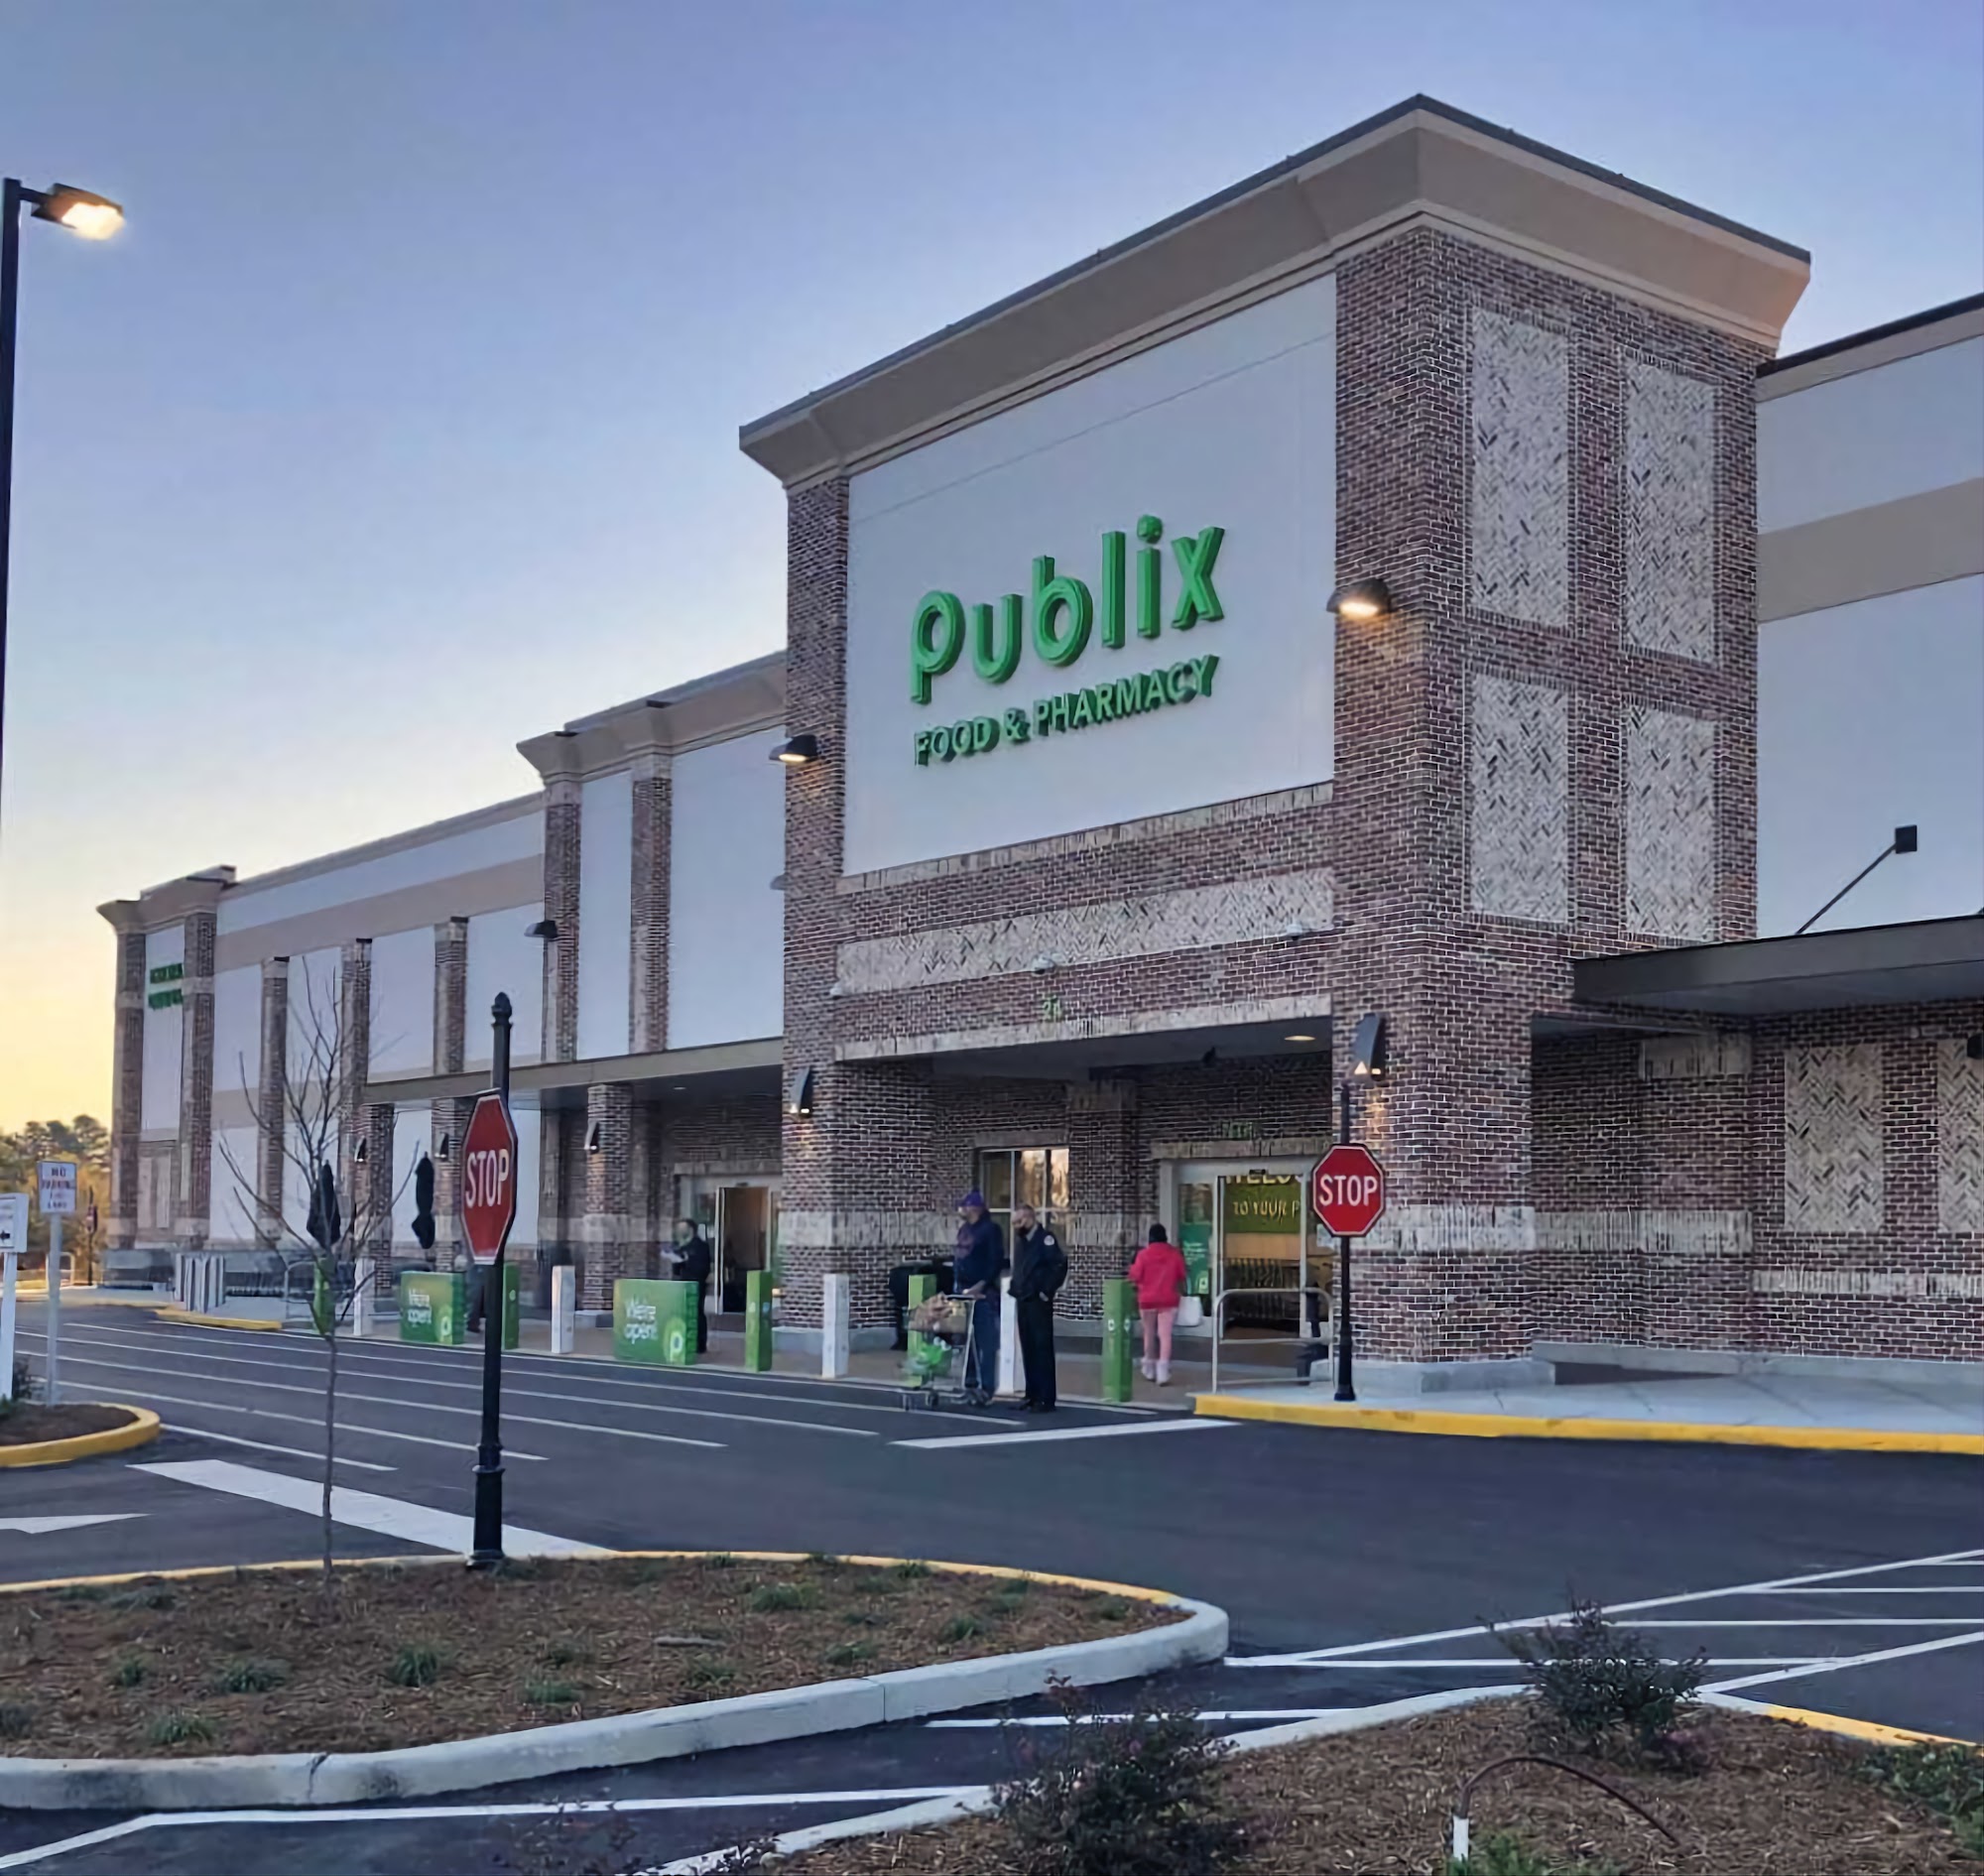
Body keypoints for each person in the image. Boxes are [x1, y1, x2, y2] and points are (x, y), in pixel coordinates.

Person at [1009, 1202, 1066, 1413]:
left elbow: (1059, 1266)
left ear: (1030, 1218)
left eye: (1019, 1221)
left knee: (1042, 1348)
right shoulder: (1022, 1241)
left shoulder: (1046, 1240)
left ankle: (1046, 1397)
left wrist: (1046, 1291)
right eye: (1015, 1222)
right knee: (1028, 1348)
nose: (1016, 1225)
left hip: (1038, 1301)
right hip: (1023, 1299)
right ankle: (1031, 1394)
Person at [950, 1190, 1006, 1405]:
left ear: (975, 1208)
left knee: (986, 1343)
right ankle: (970, 1385)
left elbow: (995, 1261)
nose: (961, 1210)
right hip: (963, 1291)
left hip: (983, 1294)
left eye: (964, 1206)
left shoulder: (990, 1230)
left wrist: (981, 1285)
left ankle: (987, 1388)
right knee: (967, 1344)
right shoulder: (965, 1230)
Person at [1127, 1222, 1187, 1386]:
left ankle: (1148, 1367)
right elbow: (1182, 1276)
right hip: (1168, 1299)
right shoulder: (1175, 1254)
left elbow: (1134, 1276)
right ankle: (1163, 1372)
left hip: (1147, 1300)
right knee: (1165, 1335)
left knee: (1149, 1334)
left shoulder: (1143, 1255)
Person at [668, 1218, 713, 1354]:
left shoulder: (701, 1246)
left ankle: (700, 1344)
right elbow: (676, 1270)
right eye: (678, 1229)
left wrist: (687, 1261)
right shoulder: (679, 1245)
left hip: (696, 1284)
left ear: (691, 1229)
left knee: (697, 1313)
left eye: (683, 1228)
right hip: (682, 1284)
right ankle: (683, 1340)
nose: (680, 1231)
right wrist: (676, 1260)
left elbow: (703, 1267)